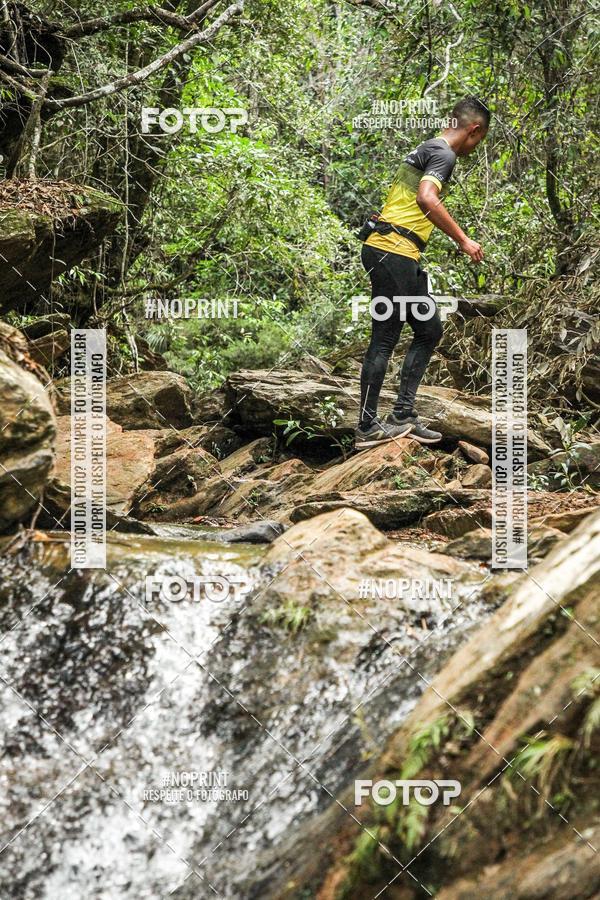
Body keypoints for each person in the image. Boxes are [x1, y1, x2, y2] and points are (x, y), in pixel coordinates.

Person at [355, 97, 490, 449]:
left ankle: (402, 414)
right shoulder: (444, 154)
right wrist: (463, 239)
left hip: (399, 253)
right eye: (480, 140)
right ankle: (366, 426)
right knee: (385, 338)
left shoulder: (429, 147)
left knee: (429, 329)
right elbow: (427, 199)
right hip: (392, 252)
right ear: (474, 130)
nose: (476, 147)